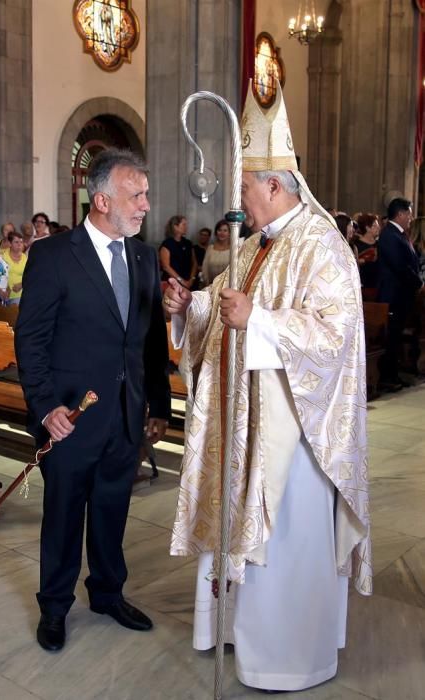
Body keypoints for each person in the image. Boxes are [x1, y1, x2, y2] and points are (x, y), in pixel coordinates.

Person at [165, 82, 371, 693]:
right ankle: (238, 635)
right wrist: (191, 307)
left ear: (275, 186)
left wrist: (258, 320)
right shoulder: (257, 243)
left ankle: (288, 657)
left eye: (246, 193)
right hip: (243, 421)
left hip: (296, 435)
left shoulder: (323, 244)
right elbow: (225, 302)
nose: (239, 206)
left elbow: (335, 337)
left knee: (286, 548)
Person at [15, 148, 171, 652]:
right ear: (102, 199)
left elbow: (149, 340)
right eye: (138, 194)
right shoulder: (55, 255)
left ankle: (107, 593)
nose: (147, 204)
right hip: (71, 418)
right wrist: (45, 408)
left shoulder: (144, 258)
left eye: (146, 194)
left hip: (125, 418)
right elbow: (31, 342)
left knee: (110, 511)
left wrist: (160, 407)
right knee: (63, 515)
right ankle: (54, 607)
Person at [377, 197, 423, 390]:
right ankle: (388, 377)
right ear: (401, 214)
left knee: (396, 338)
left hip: (401, 296)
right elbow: (400, 266)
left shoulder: (399, 234)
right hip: (393, 296)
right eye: (409, 213)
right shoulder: (389, 235)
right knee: (392, 338)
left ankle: (394, 374)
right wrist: (418, 282)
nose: (411, 217)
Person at [159, 215, 197, 289]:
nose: (186, 227)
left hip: (189, 282)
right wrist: (182, 281)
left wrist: (191, 280)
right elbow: (166, 267)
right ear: (175, 226)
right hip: (171, 283)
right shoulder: (167, 244)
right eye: (184, 224)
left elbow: (194, 263)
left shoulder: (188, 243)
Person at [201, 219, 231, 285]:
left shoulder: (233, 250)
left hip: (228, 288)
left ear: (229, 233)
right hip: (211, 286)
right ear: (216, 232)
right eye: (219, 230)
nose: (222, 233)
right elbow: (205, 269)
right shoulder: (210, 248)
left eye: (225, 230)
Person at [0, 231, 27, 305]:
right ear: (10, 243)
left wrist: (22, 284)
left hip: (21, 294)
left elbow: (30, 275)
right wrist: (6, 287)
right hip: (4, 294)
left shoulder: (25, 257)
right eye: (16, 242)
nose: (19, 244)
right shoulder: (2, 256)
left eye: (21, 242)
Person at [356, 213, 381, 289]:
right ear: (367, 228)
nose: (379, 228)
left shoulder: (380, 244)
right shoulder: (356, 245)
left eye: (378, 225)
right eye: (375, 226)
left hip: (378, 285)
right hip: (363, 285)